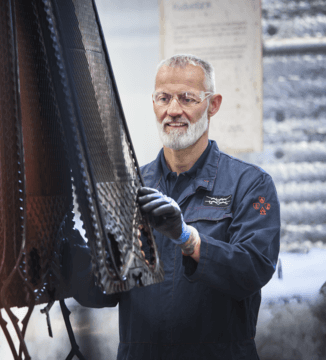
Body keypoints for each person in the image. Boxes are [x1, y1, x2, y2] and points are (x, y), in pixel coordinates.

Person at [64, 54, 280, 359]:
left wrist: (188, 239)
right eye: (163, 98)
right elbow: (106, 292)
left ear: (213, 104)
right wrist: (67, 257)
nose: (173, 110)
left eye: (187, 99)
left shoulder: (250, 184)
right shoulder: (129, 188)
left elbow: (253, 270)